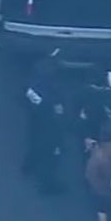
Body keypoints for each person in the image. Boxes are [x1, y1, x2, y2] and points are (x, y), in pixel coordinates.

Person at [23, 49, 67, 195]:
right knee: (52, 155)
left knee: (34, 140)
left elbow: (29, 92)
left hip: (35, 116)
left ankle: (28, 165)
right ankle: (46, 185)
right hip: (50, 122)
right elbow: (57, 105)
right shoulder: (55, 81)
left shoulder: (37, 69)